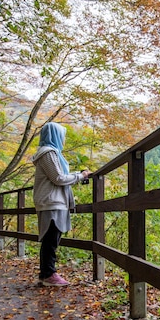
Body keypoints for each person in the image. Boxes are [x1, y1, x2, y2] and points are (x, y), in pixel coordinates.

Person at [32, 122, 91, 287]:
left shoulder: (50, 153)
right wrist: (80, 176)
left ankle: (46, 273)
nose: (63, 140)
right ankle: (48, 274)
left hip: (53, 202)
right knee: (51, 238)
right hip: (52, 202)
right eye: (61, 136)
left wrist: (78, 175)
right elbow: (58, 178)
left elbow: (59, 175)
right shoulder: (48, 153)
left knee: (52, 238)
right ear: (54, 136)